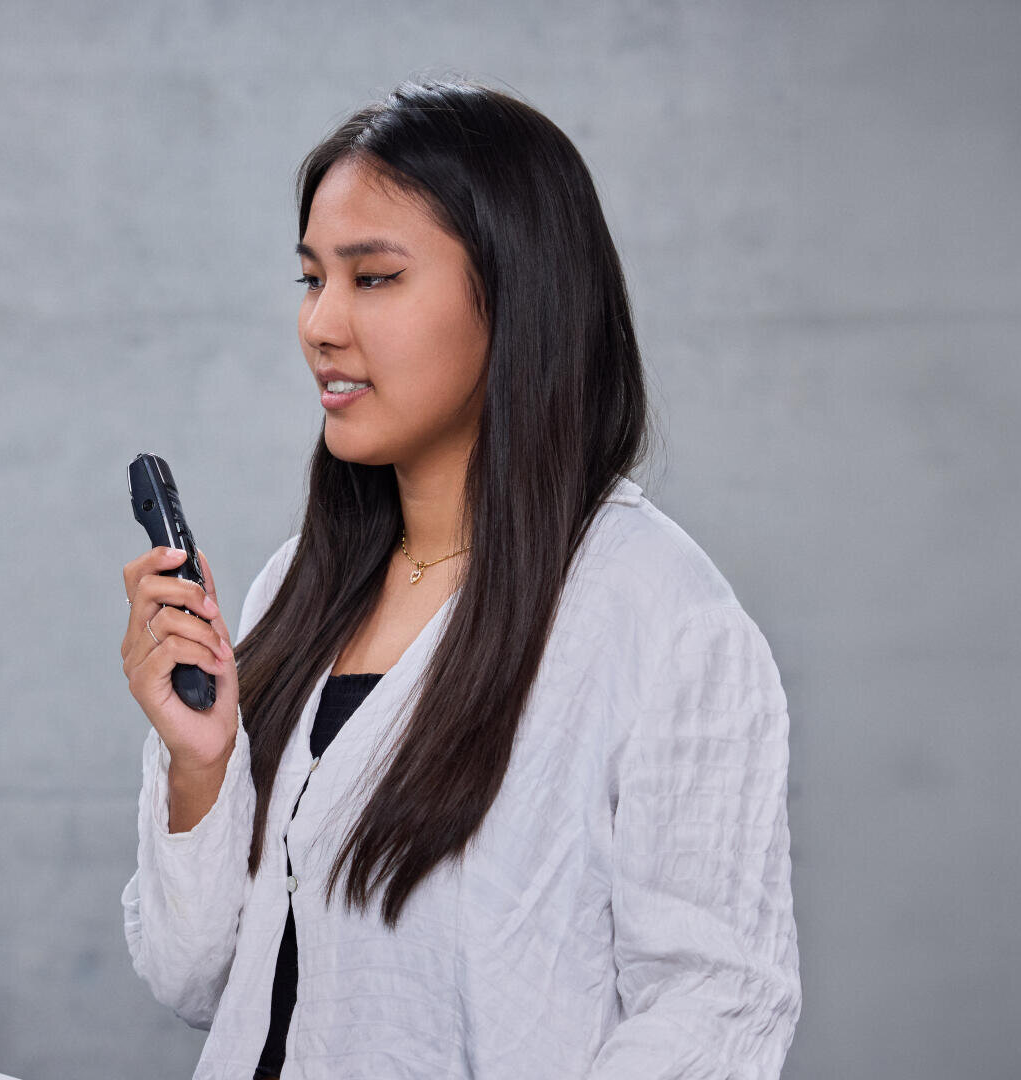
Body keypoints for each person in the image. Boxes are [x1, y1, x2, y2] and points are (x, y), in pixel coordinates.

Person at [117, 76, 800, 1079]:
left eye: (374, 278)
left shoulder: (659, 619)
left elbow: (717, 1007)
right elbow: (197, 983)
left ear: (517, 296)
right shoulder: (295, 588)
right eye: (311, 279)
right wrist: (201, 766)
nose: (320, 324)